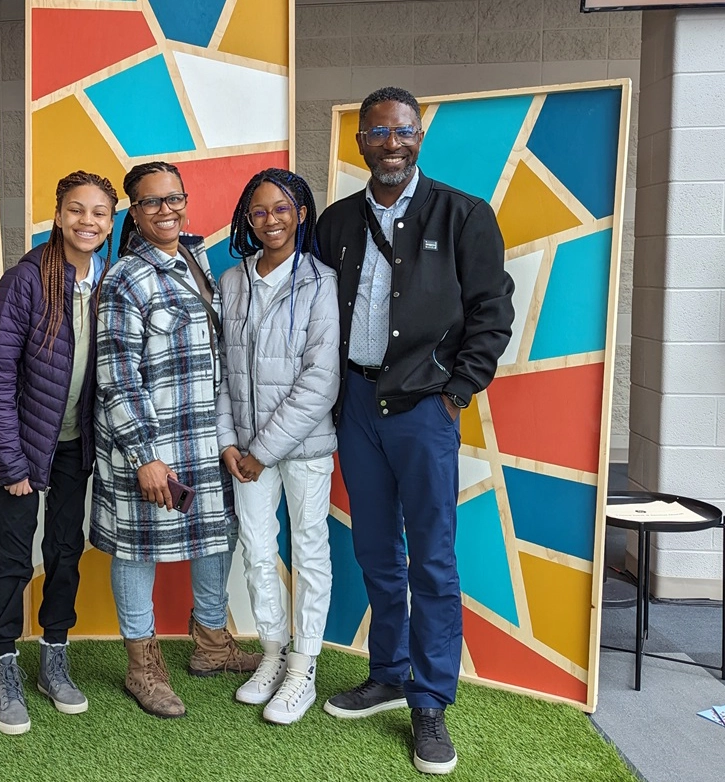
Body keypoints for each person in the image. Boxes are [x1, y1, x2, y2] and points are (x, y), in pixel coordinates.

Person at [315, 87, 514, 776]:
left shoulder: (462, 214)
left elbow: (491, 311)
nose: (390, 143)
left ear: (418, 136)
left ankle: (428, 702)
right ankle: (387, 673)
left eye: (402, 131)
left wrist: (458, 391)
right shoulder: (337, 222)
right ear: (360, 142)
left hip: (425, 409)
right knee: (375, 551)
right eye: (376, 132)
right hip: (357, 406)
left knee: (431, 559)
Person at [93, 161, 260, 720]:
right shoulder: (124, 278)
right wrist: (145, 456)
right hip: (153, 441)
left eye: (173, 199)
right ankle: (143, 665)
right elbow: (116, 374)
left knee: (216, 537)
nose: (166, 211)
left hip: (204, 436)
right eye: (150, 203)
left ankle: (211, 645)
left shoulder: (198, 260)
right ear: (133, 213)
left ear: (185, 200)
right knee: (138, 550)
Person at [0, 170, 119, 735]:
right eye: (76, 210)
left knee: (64, 549)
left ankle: (54, 655)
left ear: (110, 221)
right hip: (23, 444)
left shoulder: (111, 280)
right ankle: (4, 662)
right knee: (9, 556)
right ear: (57, 215)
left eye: (99, 212)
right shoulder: (26, 280)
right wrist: (10, 463)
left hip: (77, 445)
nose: (87, 221)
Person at [215, 168, 339, 725]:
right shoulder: (231, 280)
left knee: (309, 551)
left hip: (303, 448)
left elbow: (320, 379)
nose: (271, 220)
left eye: (282, 209)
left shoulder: (322, 282)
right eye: (260, 211)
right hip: (243, 451)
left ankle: (302, 666)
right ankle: (270, 653)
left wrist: (263, 449)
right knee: (258, 550)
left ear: (302, 213)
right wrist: (227, 442)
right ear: (248, 217)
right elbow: (220, 371)